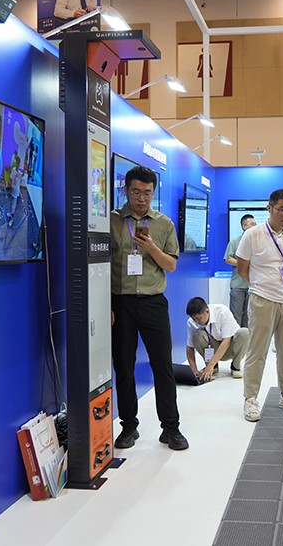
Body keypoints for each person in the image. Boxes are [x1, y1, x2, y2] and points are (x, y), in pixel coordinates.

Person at [110, 165, 188, 451]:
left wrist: (152, 247)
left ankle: (171, 428)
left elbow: (171, 265)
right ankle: (128, 426)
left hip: (154, 302)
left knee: (162, 366)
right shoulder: (112, 221)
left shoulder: (164, 224)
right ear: (126, 190)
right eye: (135, 192)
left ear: (153, 192)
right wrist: (106, 304)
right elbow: (101, 266)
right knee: (124, 367)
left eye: (147, 193)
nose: (141, 198)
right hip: (120, 303)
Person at [237, 189, 283, 422]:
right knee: (257, 352)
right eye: (281, 209)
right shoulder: (253, 235)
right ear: (269, 208)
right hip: (262, 299)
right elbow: (242, 268)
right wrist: (261, 286)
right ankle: (250, 399)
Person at [184, 297, 249, 382]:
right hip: (214, 348)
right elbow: (189, 348)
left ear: (207, 311)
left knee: (244, 332)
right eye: (194, 319)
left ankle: (235, 367)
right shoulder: (191, 323)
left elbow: (227, 341)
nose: (196, 321)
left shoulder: (222, 312)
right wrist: (194, 371)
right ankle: (213, 368)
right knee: (197, 335)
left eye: (198, 318)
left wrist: (211, 364)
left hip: (231, 348)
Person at [225, 214, 256, 327]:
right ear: (244, 226)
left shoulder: (258, 242)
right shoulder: (234, 242)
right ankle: (236, 337)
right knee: (236, 317)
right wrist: (243, 263)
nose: (255, 226)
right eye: (252, 224)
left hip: (253, 285)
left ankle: (246, 338)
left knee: (249, 317)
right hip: (238, 285)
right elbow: (227, 258)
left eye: (255, 224)